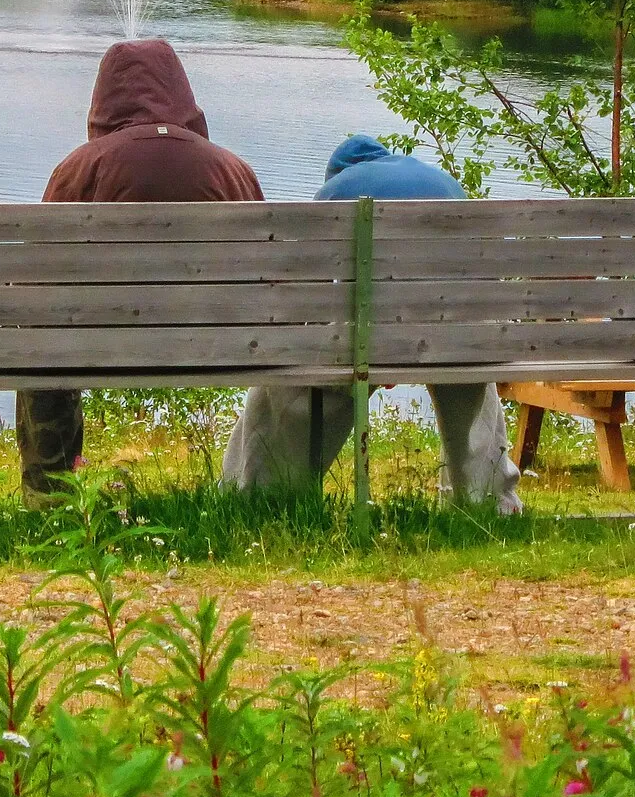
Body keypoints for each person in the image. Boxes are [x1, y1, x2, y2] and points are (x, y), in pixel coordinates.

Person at [219, 134, 524, 514]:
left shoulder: (335, 193)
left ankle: (260, 498)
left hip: (365, 336)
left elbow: (311, 290)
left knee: (292, 382)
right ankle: (490, 504)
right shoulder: (445, 183)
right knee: (469, 377)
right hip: (454, 336)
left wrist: (380, 346)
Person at [25, 38, 265, 502]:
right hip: (227, 345)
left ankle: (51, 494)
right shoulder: (234, 170)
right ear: (183, 92)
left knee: (40, 340)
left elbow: (41, 275)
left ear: (103, 97)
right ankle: (269, 491)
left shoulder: (79, 167)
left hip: (100, 344)